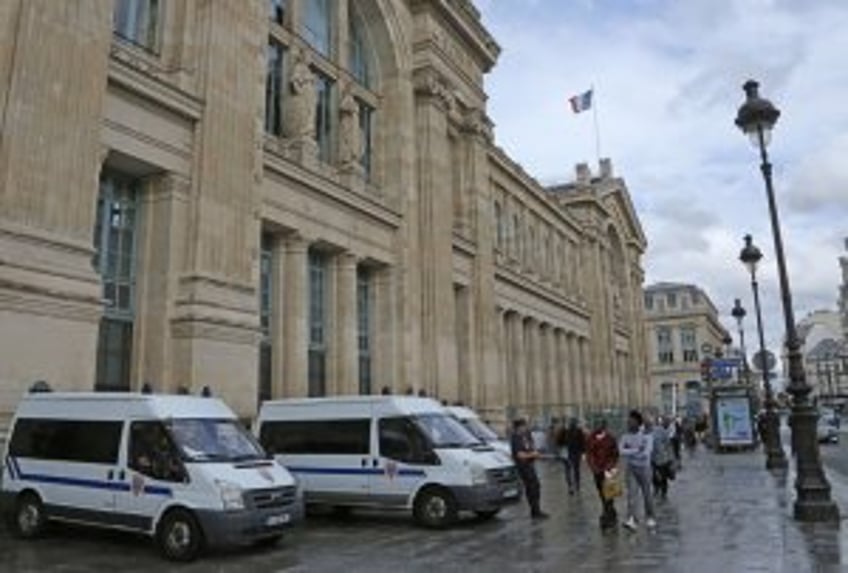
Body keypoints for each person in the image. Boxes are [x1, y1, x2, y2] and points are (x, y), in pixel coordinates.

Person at [620, 410, 655, 531]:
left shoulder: (646, 435)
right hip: (631, 469)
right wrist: (636, 450)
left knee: (647, 494)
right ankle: (632, 519)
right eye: (628, 421)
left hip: (644, 468)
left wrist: (630, 450)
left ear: (637, 422)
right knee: (631, 495)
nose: (628, 423)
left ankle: (650, 517)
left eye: (631, 421)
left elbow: (646, 454)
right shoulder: (625, 436)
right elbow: (621, 451)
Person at [510, 418, 548, 519]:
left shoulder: (526, 435)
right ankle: (535, 511)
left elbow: (531, 447)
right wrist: (532, 454)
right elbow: (519, 455)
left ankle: (536, 510)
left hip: (530, 465)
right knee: (531, 487)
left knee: (536, 486)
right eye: (524, 426)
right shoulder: (515, 437)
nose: (526, 428)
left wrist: (535, 453)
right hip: (523, 466)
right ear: (519, 427)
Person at [586, 419, 619, 530]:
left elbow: (615, 454)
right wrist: (593, 467)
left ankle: (607, 517)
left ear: (605, 426)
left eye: (601, 425)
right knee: (601, 493)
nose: (598, 427)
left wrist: (610, 466)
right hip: (598, 471)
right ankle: (610, 513)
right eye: (597, 425)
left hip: (608, 471)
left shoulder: (611, 438)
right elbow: (589, 453)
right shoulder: (591, 438)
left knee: (609, 494)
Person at [651, 417, 675, 500]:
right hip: (654, 458)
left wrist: (670, 458)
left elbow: (668, 445)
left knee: (662, 475)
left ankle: (662, 492)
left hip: (661, 458)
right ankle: (658, 490)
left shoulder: (662, 431)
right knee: (655, 475)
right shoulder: (649, 431)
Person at [561, 418, 586, 495]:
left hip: (566, 454)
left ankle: (570, 486)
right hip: (576, 454)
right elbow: (582, 443)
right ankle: (577, 486)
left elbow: (559, 442)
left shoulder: (565, 431)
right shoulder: (579, 431)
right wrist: (583, 453)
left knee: (568, 470)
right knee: (576, 470)